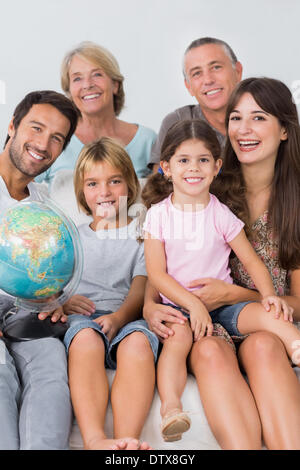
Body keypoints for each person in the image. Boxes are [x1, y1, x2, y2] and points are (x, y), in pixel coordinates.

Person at [143, 77, 300, 449]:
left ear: (283, 130)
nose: (244, 129)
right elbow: (166, 262)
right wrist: (150, 305)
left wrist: (234, 293)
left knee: (264, 345)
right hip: (204, 323)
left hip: (262, 319)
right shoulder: (207, 186)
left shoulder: (293, 204)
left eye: (258, 118)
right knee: (210, 349)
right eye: (236, 118)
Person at [62, 137, 158, 450]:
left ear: (130, 184)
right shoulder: (73, 235)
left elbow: (141, 285)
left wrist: (119, 318)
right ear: (82, 191)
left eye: (114, 181)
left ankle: (125, 440)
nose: (104, 192)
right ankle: (95, 440)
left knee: (139, 344)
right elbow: (54, 282)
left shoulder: (142, 232)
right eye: (93, 184)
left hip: (129, 316)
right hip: (84, 318)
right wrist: (63, 302)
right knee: (85, 340)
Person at [0, 90, 78, 449]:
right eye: (36, 128)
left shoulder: (46, 206)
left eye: (57, 138)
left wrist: (57, 297)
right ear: (13, 126)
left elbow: (55, 271)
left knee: (50, 363)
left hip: (26, 315)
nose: (43, 144)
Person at [36, 41, 157, 186]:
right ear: (69, 91)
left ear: (115, 85)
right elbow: (18, 190)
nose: (87, 84)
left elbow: (161, 199)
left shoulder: (147, 141)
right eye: (77, 78)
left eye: (97, 74)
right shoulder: (54, 140)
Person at [148, 37, 242, 172]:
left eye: (216, 67)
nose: (208, 80)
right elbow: (159, 186)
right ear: (188, 86)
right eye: (197, 73)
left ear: (237, 71)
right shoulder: (177, 122)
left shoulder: (262, 117)